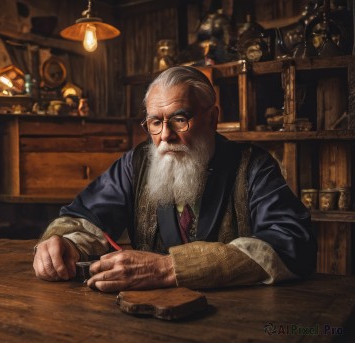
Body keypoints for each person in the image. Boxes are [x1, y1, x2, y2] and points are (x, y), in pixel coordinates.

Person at [32, 66, 316, 292]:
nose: (165, 136)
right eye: (155, 122)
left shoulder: (253, 165)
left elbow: (292, 244)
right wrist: (63, 243)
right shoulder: (137, 163)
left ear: (212, 118)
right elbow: (85, 218)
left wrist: (169, 268)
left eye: (180, 119)